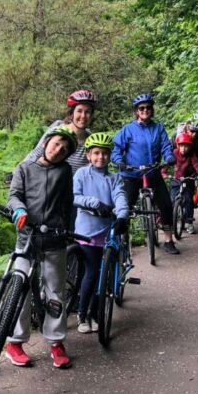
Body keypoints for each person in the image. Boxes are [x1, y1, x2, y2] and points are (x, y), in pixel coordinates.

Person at [5, 126, 76, 369]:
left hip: (54, 239)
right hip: (26, 238)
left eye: (64, 149)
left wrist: (68, 230)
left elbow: (67, 203)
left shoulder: (64, 171)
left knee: (55, 291)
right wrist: (19, 209)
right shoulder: (24, 168)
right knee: (20, 288)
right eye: (56, 144)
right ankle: (15, 342)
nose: (59, 150)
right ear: (46, 143)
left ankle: (56, 342)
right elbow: (14, 195)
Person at [73, 132, 129, 333]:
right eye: (96, 153)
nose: (101, 157)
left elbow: (120, 196)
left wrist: (122, 215)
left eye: (105, 153)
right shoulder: (81, 174)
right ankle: (82, 314)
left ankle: (95, 313)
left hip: (107, 233)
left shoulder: (114, 178)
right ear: (88, 155)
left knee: (102, 277)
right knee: (91, 273)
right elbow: (75, 197)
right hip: (86, 233)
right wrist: (95, 203)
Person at [111, 93, 180, 254]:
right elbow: (116, 149)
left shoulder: (158, 128)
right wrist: (119, 161)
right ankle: (123, 241)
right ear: (136, 111)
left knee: (166, 204)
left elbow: (165, 147)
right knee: (125, 207)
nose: (145, 110)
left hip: (153, 172)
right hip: (131, 174)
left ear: (152, 110)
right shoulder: (128, 129)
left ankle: (168, 240)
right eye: (141, 108)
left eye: (148, 107)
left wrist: (169, 157)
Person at [24, 89, 97, 175]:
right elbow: (36, 154)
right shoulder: (57, 129)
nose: (83, 116)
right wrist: (19, 173)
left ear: (91, 116)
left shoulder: (92, 141)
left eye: (87, 112)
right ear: (72, 113)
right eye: (79, 111)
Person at [163, 132, 198, 234]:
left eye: (186, 146)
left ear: (190, 147)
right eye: (181, 146)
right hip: (176, 180)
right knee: (172, 200)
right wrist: (163, 172)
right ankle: (173, 221)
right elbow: (167, 164)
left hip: (187, 180)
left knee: (189, 201)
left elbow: (196, 165)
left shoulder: (191, 154)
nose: (183, 149)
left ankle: (189, 223)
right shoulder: (174, 153)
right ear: (178, 145)